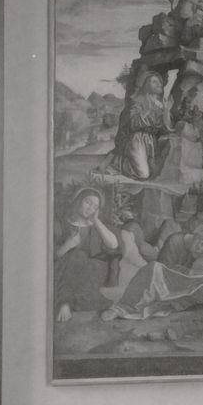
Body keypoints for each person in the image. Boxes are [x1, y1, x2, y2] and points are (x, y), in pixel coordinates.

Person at [54, 187, 119, 320]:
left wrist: (96, 221)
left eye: (95, 206)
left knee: (86, 259)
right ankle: (65, 303)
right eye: (88, 202)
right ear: (78, 201)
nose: (91, 208)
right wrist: (68, 245)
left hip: (92, 272)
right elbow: (50, 256)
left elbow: (113, 245)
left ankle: (68, 303)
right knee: (77, 257)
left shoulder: (96, 225)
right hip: (66, 271)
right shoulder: (62, 224)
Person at [109, 68, 171, 181]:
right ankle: (120, 162)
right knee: (143, 174)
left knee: (155, 173)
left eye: (159, 82)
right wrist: (147, 112)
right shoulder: (138, 101)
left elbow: (164, 127)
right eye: (154, 81)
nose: (158, 84)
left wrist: (166, 113)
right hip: (137, 139)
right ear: (146, 85)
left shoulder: (162, 104)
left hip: (152, 141)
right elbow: (132, 123)